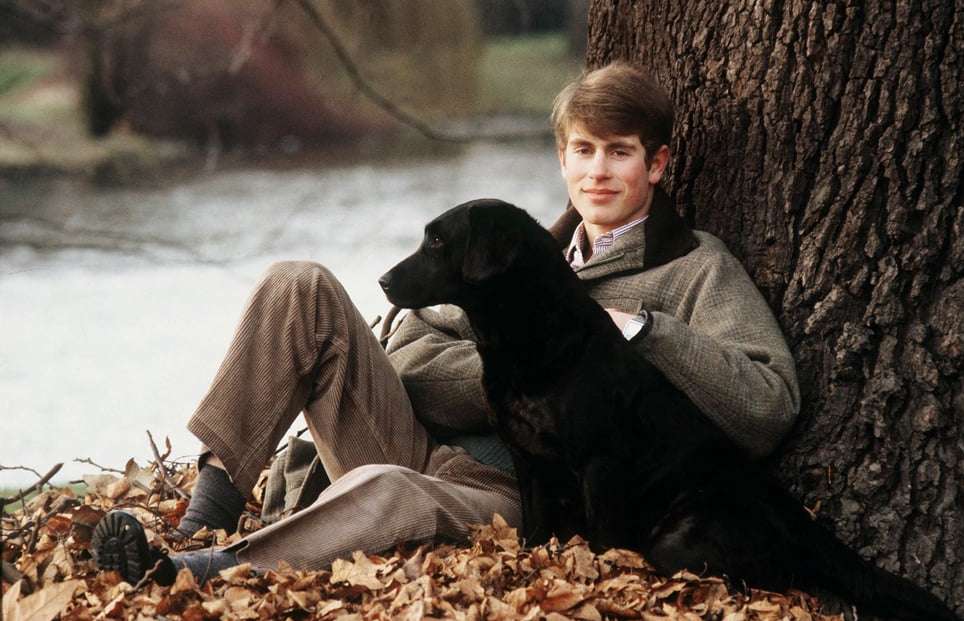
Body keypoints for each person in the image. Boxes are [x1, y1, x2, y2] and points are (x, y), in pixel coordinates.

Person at [92, 61, 801, 586]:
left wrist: (646, 334)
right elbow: (405, 348)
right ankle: (206, 512)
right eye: (583, 150)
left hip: (519, 495)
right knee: (296, 283)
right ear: (562, 159)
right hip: (412, 435)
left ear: (657, 163)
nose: (598, 171)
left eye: (620, 152)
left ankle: (201, 569)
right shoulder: (512, 249)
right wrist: (517, 373)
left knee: (387, 488)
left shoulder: (695, 268)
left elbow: (767, 407)